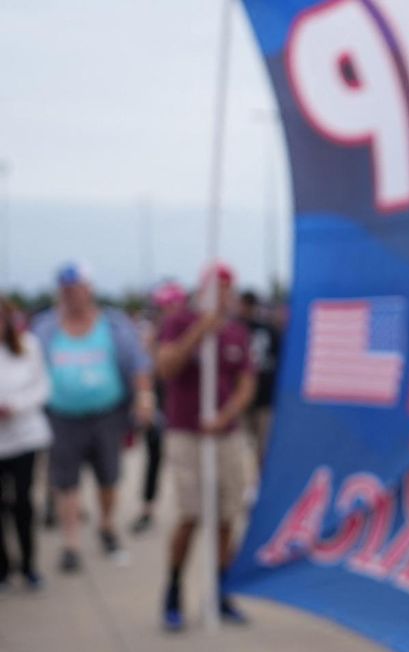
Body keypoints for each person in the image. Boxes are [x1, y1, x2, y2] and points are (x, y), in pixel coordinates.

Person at [30, 263, 154, 572]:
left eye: (76, 289)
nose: (71, 296)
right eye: (65, 291)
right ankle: (71, 542)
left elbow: (138, 364)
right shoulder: (46, 327)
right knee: (65, 482)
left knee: (108, 477)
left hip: (106, 414)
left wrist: (143, 397)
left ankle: (107, 525)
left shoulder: (113, 325)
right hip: (62, 416)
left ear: (89, 290)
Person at [155, 263, 256, 631]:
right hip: (186, 432)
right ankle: (174, 589)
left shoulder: (237, 334)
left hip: (224, 434)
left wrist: (226, 415)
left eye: (229, 289)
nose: (224, 296)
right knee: (191, 512)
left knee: (227, 514)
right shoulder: (178, 323)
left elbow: (246, 384)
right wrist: (200, 331)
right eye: (218, 289)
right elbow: (166, 368)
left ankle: (220, 589)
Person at [0, 300, 52, 590]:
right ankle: (4, 569)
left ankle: (29, 565)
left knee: (23, 502)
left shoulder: (28, 346)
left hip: (25, 437)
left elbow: (42, 386)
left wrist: (15, 406)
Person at [130, 281, 185, 534]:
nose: (166, 312)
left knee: (185, 461)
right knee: (154, 458)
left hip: (184, 408)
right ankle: (147, 509)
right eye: (162, 308)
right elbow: (146, 372)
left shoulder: (189, 332)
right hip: (162, 404)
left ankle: (191, 511)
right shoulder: (152, 335)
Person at [239, 289, 281, 464]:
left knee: (262, 447)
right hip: (243, 399)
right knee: (245, 446)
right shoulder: (235, 328)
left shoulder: (267, 330)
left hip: (263, 397)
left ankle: (258, 483)